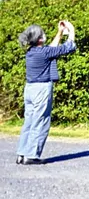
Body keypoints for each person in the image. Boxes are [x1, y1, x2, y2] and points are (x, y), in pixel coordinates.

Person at [16, 21, 76, 165]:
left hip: (30, 89)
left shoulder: (31, 52)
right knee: (41, 121)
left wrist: (60, 33)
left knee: (29, 122)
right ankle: (31, 155)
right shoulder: (45, 52)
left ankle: (22, 153)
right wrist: (71, 31)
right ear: (40, 39)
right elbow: (69, 47)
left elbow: (51, 49)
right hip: (41, 90)